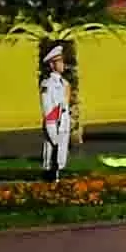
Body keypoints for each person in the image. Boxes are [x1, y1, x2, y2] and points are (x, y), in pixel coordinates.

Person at [37, 43, 73, 181]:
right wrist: (51, 129)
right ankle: (49, 180)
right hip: (54, 123)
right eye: (59, 61)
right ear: (52, 65)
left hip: (64, 122)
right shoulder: (47, 85)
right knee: (52, 155)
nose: (63, 64)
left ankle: (58, 179)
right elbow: (48, 108)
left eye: (62, 61)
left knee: (62, 155)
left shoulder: (64, 83)